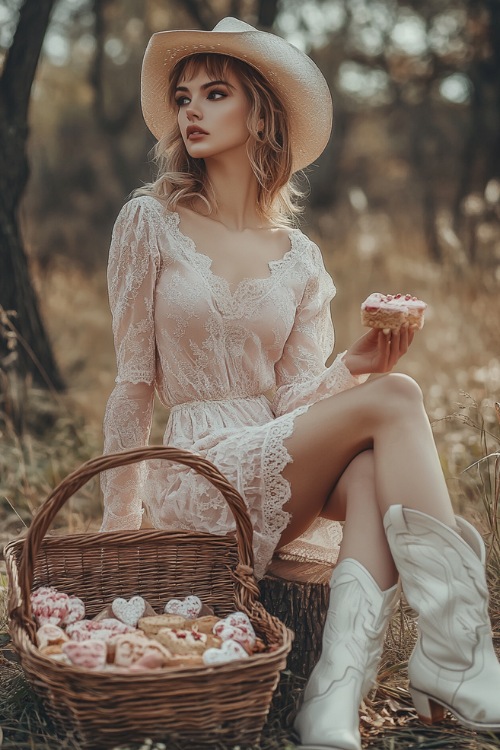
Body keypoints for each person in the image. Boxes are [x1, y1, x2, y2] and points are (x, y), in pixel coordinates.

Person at [99, 16, 500, 750]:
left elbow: (287, 406)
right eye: (183, 96)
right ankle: (455, 656)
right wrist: (119, 526)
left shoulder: (302, 258)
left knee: (380, 452)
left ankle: (334, 701)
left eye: (214, 94)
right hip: (196, 470)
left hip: (270, 457)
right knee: (400, 400)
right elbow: (131, 385)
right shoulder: (148, 223)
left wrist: (353, 366)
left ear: (261, 113)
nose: (190, 109)